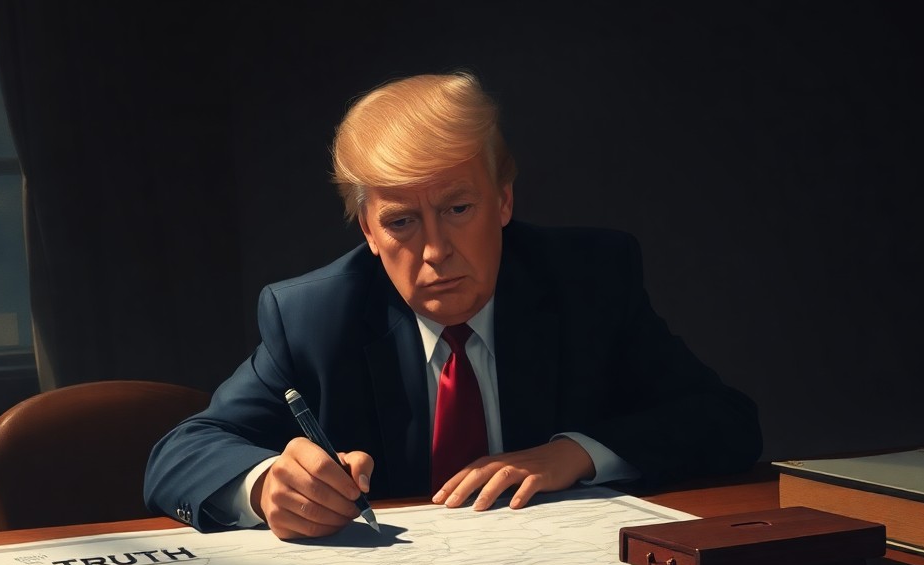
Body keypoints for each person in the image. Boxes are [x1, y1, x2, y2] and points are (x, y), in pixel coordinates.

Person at [145, 71, 762, 539]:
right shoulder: (317, 315)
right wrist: (264, 488)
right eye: (403, 221)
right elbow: (182, 452)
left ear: (503, 201)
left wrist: (574, 454)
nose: (435, 250)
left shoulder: (587, 281)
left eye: (458, 209)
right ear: (367, 230)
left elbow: (725, 421)